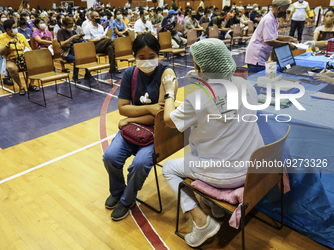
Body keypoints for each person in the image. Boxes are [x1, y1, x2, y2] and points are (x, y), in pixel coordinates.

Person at [161, 38, 264, 248]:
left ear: (199, 66)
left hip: (224, 175)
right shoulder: (246, 85)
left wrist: (170, 92)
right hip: (252, 169)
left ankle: (201, 223)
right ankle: (217, 209)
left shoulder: (198, 97)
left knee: (169, 168)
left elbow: (169, 120)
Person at [102, 34, 177, 221]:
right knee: (110, 157)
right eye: (141, 58)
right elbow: (122, 108)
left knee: (140, 164)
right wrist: (149, 108)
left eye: (151, 56)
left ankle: (127, 200)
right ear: (134, 56)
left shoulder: (167, 74)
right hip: (133, 130)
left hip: (154, 133)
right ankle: (117, 191)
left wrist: (130, 119)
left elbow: (160, 117)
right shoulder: (129, 74)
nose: (147, 61)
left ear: (159, 55)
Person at [245, 0, 298, 74]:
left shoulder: (273, 19)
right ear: (279, 8)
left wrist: (289, 38)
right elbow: (269, 41)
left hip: (262, 56)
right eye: (285, 8)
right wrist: (287, 44)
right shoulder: (268, 20)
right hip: (256, 57)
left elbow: (274, 36)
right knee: (255, 81)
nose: (286, 11)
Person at [0, 19, 34, 95]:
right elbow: (1, 52)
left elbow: (28, 48)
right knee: (11, 68)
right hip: (10, 59)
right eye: (14, 27)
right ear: (8, 29)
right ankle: (21, 87)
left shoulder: (20, 36)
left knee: (35, 62)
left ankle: (31, 84)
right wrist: (8, 44)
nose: (16, 29)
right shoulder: (2, 37)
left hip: (22, 56)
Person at [57, 17, 91, 83]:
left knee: (86, 57)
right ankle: (75, 77)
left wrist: (80, 37)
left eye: (72, 25)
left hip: (75, 50)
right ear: (64, 25)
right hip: (66, 53)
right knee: (76, 59)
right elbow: (62, 44)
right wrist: (72, 38)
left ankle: (87, 74)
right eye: (69, 26)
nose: (71, 27)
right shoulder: (60, 31)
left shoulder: (73, 31)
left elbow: (77, 39)